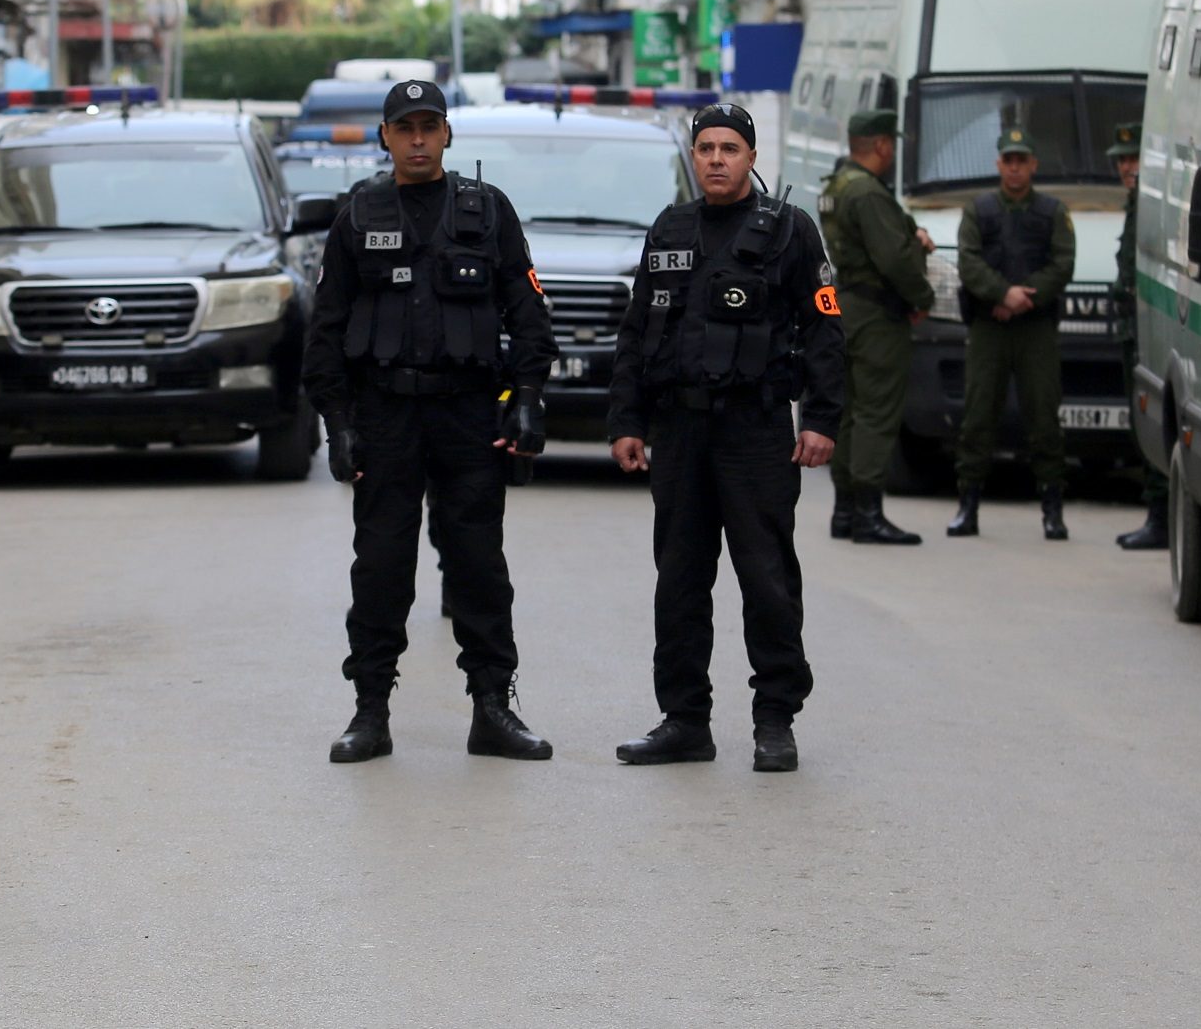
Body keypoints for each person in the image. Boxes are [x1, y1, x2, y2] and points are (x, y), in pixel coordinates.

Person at [302, 79, 557, 764]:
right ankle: (370, 711)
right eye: (404, 128)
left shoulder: (488, 211)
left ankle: (493, 706)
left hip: (468, 414)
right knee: (381, 565)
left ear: (447, 134)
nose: (417, 140)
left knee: (478, 564)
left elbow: (529, 315)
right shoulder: (358, 217)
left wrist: (526, 396)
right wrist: (337, 422)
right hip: (385, 416)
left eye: (429, 127)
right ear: (385, 137)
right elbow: (324, 332)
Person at [609, 102, 844, 772]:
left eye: (729, 148)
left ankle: (775, 719)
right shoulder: (670, 228)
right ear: (694, 156)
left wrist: (822, 418)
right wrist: (626, 420)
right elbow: (637, 331)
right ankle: (685, 720)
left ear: (751, 157)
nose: (716, 159)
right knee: (680, 580)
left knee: (767, 579)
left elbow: (826, 328)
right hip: (680, 431)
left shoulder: (791, 231)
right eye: (706, 148)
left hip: (754, 430)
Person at [947, 128, 1075, 541]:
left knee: (1044, 417)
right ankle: (968, 505)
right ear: (999, 164)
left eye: (1022, 160)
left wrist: (1022, 298)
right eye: (1009, 160)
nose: (1015, 168)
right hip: (990, 327)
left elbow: (1063, 264)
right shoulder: (978, 210)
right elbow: (968, 261)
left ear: (1033, 165)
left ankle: (1052, 509)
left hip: (1035, 328)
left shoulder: (1052, 212)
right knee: (978, 415)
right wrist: (1002, 293)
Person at [817, 109, 934, 545]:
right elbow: (894, 259)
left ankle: (844, 511)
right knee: (875, 413)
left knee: (850, 412)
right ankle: (868, 514)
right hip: (876, 315)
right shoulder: (868, 192)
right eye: (892, 145)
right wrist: (922, 297)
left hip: (848, 306)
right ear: (882, 145)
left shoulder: (837, 185)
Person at [1107, 125, 1166, 550]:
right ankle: (1156, 514)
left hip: (1149, 331)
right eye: (1122, 160)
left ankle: (1161, 516)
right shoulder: (1135, 203)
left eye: (1134, 158)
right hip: (1133, 329)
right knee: (1140, 422)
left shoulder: (1152, 206)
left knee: (1152, 420)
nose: (1128, 166)